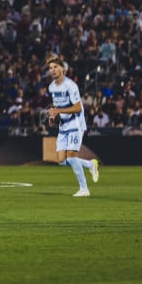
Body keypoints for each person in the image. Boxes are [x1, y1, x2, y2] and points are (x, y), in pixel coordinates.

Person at [46, 56, 99, 197]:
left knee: (71, 157)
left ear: (63, 68)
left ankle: (84, 189)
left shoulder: (71, 85)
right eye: (50, 68)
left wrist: (58, 111)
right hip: (63, 125)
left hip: (76, 124)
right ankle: (90, 165)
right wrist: (53, 116)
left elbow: (77, 108)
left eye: (56, 67)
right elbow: (56, 105)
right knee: (61, 160)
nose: (53, 70)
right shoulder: (51, 87)